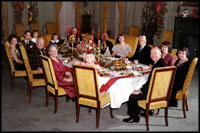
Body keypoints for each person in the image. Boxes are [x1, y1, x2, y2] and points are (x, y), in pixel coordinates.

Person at [123, 46, 166, 123]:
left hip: (153, 94)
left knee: (132, 96)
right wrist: (142, 87)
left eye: (155, 53)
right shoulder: (161, 63)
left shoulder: (158, 67)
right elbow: (153, 81)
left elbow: (152, 83)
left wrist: (140, 91)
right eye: (151, 53)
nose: (153, 55)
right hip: (160, 91)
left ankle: (134, 117)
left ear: (161, 54)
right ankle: (149, 110)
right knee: (139, 86)